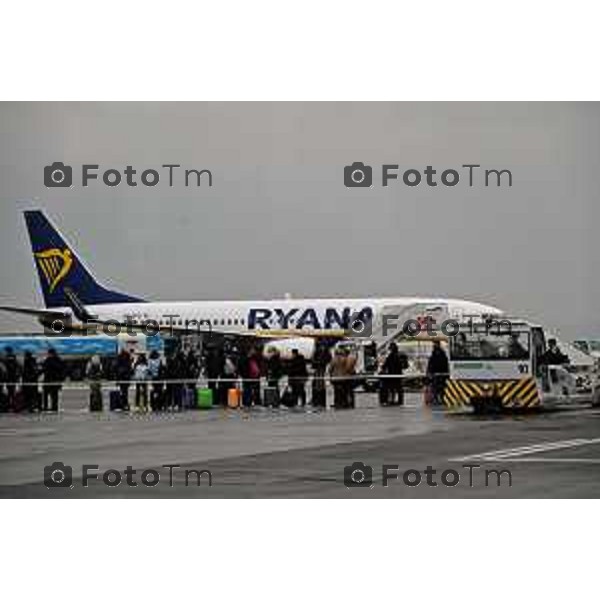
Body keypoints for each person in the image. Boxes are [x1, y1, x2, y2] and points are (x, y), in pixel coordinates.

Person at [41, 348, 65, 412]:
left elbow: (44, 369)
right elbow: (62, 370)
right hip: (54, 380)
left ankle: (46, 407)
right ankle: (54, 407)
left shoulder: (48, 360)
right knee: (54, 395)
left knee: (47, 395)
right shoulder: (58, 360)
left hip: (49, 380)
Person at [427, 341, 449, 405]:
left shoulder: (434, 354)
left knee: (436, 388)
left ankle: (437, 399)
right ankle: (440, 399)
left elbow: (430, 364)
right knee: (440, 388)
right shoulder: (443, 354)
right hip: (441, 374)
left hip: (437, 374)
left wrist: (429, 372)